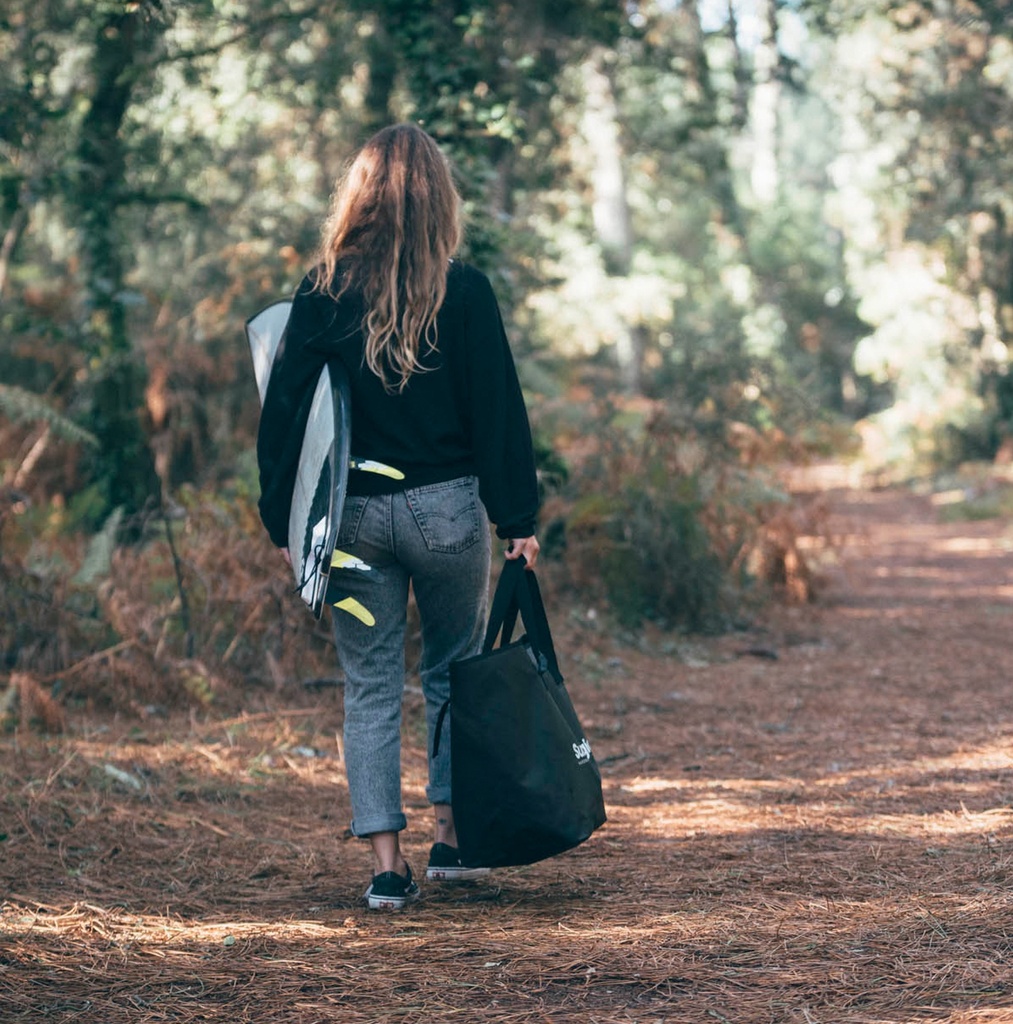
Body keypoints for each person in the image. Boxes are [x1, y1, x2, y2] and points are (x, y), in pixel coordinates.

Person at [256, 124, 540, 910]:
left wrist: (283, 523)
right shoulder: (467, 290)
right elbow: (498, 413)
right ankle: (450, 840)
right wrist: (518, 516)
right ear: (438, 199)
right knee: (452, 673)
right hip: (446, 512)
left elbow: (283, 421)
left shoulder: (320, 294)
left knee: (369, 684)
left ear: (360, 197)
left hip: (350, 519)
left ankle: (386, 867)